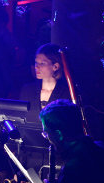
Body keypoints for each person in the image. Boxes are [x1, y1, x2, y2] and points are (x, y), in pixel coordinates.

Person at [18, 43, 71, 172]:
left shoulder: (67, 94)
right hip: (29, 156)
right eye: (36, 62)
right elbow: (20, 124)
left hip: (56, 159)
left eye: (42, 63)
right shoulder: (27, 90)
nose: (37, 66)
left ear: (55, 66)